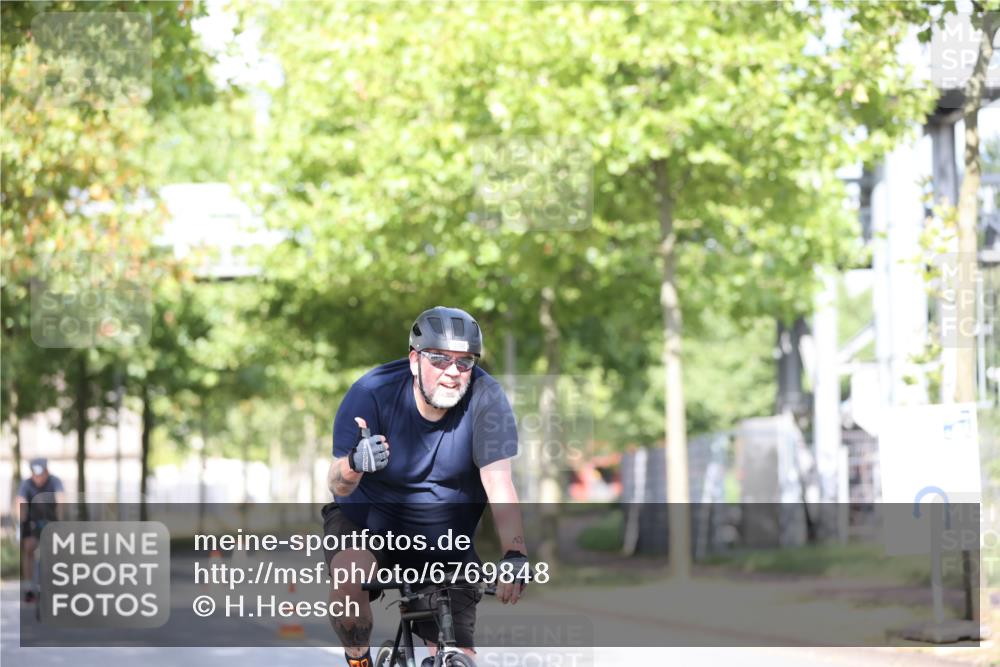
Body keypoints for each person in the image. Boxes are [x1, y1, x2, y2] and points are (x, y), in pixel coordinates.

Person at [324, 306, 527, 667]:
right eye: (439, 359)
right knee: (349, 582)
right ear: (414, 360)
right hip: (367, 524)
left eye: (464, 362)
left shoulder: (487, 399)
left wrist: (515, 553)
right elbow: (337, 485)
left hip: (443, 538)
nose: (453, 372)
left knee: (456, 654)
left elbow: (498, 482)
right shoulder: (372, 392)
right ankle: (359, 661)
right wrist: (355, 464)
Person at [16, 458, 65, 602]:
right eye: (35, 475)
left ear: (47, 471)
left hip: (51, 520)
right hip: (32, 521)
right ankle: (28, 588)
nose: (38, 478)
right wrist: (21, 524)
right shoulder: (26, 484)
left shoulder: (55, 481)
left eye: (41, 474)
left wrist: (61, 522)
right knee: (29, 547)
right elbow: (20, 501)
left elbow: (61, 500)